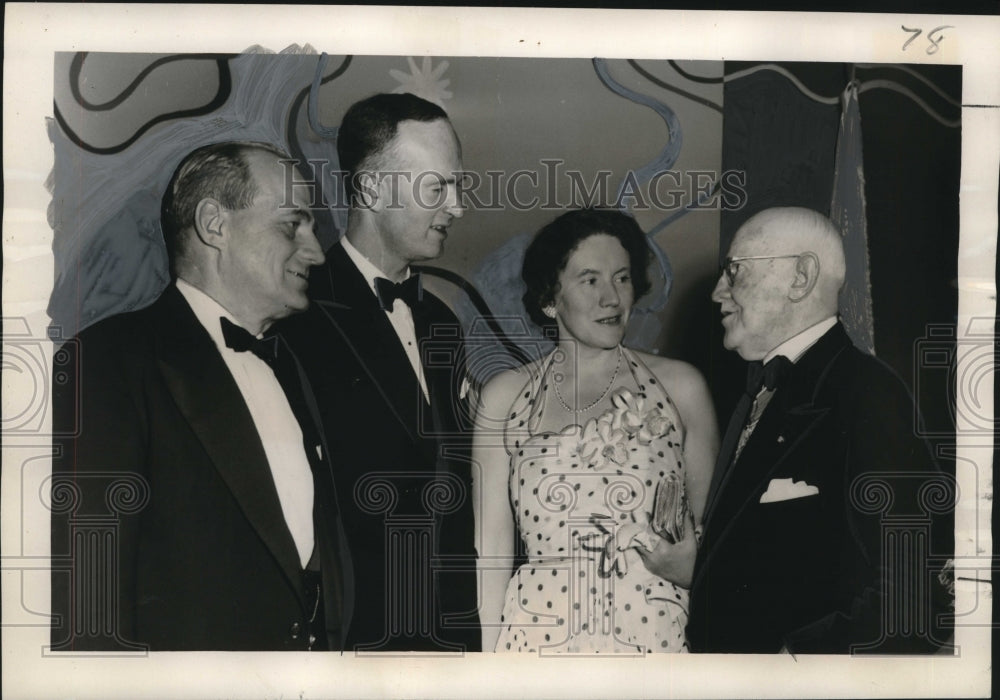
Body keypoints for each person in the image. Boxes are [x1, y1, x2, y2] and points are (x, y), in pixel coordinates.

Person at [50, 141, 351, 651]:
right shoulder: (106, 361)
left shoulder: (295, 367)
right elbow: (90, 605)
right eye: (291, 225)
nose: (317, 252)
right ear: (214, 225)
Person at [687, 206, 954, 654]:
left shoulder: (868, 393)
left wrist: (797, 666)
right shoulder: (758, 389)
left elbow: (918, 593)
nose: (718, 292)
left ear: (801, 277)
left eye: (734, 271)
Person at [281, 93, 480, 651]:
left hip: (451, 637)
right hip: (355, 639)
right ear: (370, 190)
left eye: (457, 186)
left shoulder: (442, 321)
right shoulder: (295, 315)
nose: (458, 207)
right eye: (437, 188)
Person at [474, 208, 719, 653]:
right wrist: (488, 672)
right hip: (538, 640)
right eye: (590, 280)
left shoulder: (681, 387)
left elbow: (717, 540)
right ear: (550, 298)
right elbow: (490, 553)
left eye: (622, 278)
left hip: (653, 639)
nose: (612, 298)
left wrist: (691, 568)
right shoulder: (504, 397)